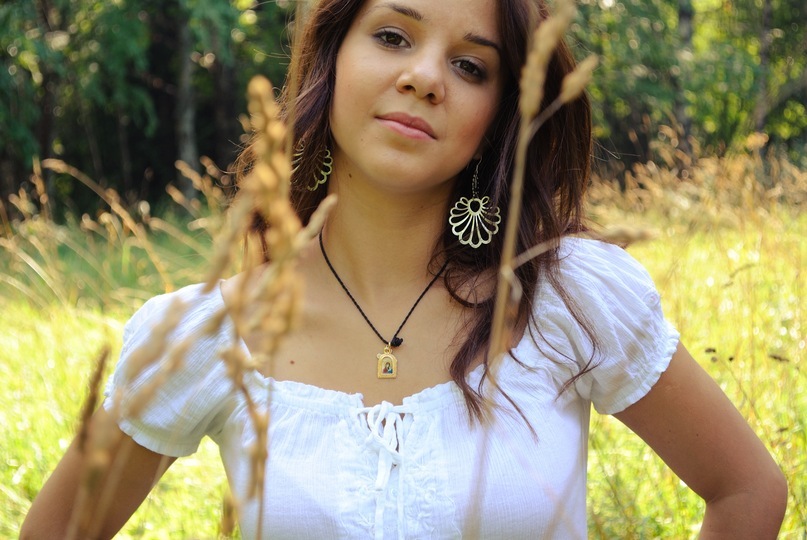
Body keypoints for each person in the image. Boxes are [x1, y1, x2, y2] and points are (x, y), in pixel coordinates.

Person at [22, 0, 787, 538]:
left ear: (499, 114)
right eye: (392, 36)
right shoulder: (208, 336)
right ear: (331, 57)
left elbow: (747, 489)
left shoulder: (565, 296)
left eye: (470, 66)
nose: (425, 76)